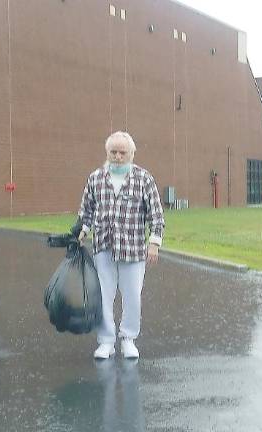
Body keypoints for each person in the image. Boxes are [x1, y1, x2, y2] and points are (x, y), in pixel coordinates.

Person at [77, 131, 165, 359]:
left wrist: (154, 243)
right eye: (113, 152)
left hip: (133, 248)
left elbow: (156, 215)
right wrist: (83, 231)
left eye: (122, 152)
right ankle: (106, 341)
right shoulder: (95, 178)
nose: (117, 156)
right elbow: (86, 210)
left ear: (132, 154)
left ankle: (128, 338)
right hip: (103, 247)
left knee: (132, 295)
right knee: (104, 295)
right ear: (107, 152)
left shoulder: (143, 179)